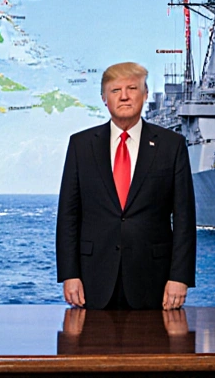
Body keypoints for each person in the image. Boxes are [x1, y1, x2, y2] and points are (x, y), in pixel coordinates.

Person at [56, 61, 195, 310]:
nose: (124, 97)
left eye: (132, 88)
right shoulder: (80, 145)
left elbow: (184, 218)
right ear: (104, 98)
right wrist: (69, 274)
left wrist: (180, 277)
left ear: (145, 94)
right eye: (115, 90)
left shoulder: (171, 146)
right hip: (91, 281)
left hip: (155, 280)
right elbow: (68, 216)